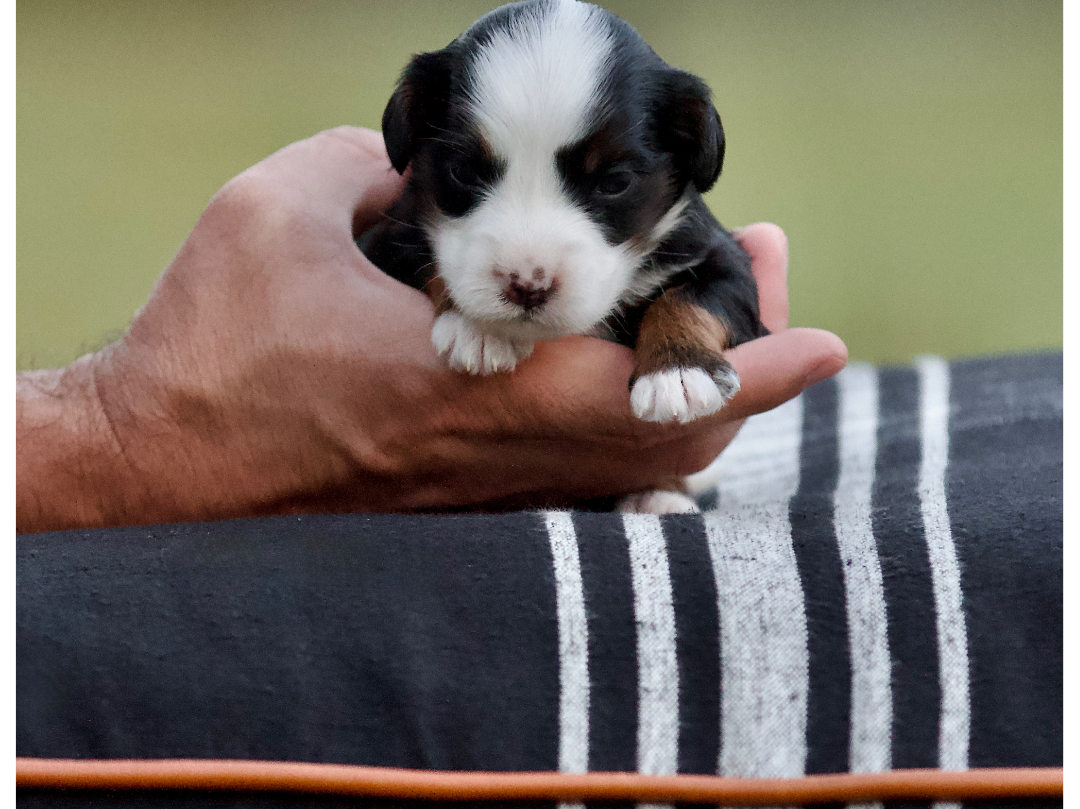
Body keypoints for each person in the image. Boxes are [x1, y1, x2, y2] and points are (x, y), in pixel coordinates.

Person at [16, 127, 847, 534]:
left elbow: (721, 280)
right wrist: (124, 432)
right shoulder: (413, 226)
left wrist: (685, 343)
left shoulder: (679, 238)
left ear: (687, 151)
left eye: (609, 183)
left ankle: (625, 483)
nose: (529, 258)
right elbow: (388, 255)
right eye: (472, 179)